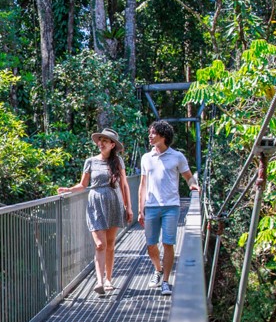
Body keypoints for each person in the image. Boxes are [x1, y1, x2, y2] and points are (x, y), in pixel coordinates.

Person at [58, 128, 133, 295]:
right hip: (96, 204)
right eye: (100, 140)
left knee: (111, 245)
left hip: (114, 202)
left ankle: (108, 279)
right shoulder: (90, 161)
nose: (101, 143)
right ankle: (99, 281)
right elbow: (83, 185)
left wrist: (129, 207)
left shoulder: (118, 162)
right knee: (100, 245)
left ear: (112, 144)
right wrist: (69, 189)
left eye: (105, 141)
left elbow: (124, 185)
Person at [138, 120, 199, 297]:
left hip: (171, 206)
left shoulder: (177, 156)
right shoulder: (146, 158)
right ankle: (158, 270)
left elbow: (188, 177)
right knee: (151, 245)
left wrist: (193, 186)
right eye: (150, 132)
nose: (150, 135)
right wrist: (140, 208)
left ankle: (165, 281)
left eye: (153, 132)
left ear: (163, 136)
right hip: (151, 206)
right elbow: (142, 185)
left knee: (168, 243)